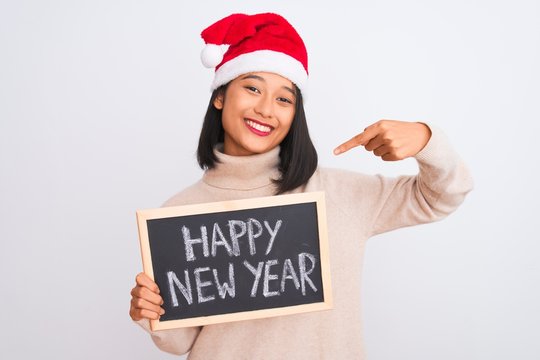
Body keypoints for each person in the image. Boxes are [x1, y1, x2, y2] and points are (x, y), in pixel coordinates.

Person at [129, 12, 473, 359]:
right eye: (252, 88)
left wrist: (426, 139)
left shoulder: (339, 194)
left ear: (295, 114)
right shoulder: (178, 213)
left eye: (284, 99)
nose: (265, 109)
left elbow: (440, 197)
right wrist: (152, 312)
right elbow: (180, 342)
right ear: (220, 96)